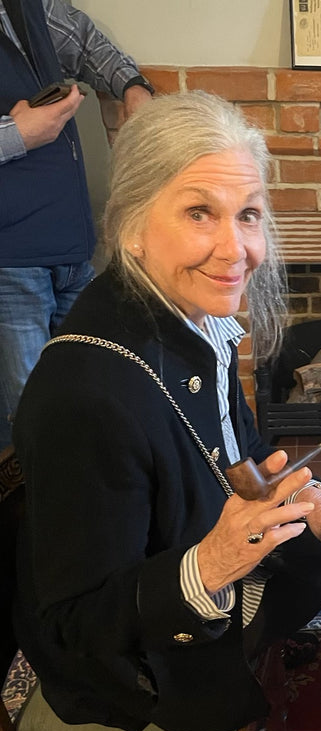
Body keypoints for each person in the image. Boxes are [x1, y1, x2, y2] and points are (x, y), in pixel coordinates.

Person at [12, 91, 321, 731]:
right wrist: (214, 564)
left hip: (190, 546)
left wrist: (320, 507)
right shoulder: (84, 400)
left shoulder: (191, 317)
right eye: (200, 212)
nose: (237, 250)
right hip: (131, 659)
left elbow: (237, 452)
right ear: (132, 228)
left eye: (248, 215)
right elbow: (76, 625)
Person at [0, 0, 154, 450]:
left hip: (73, 252)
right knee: (30, 413)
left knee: (91, 393)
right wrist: (17, 133)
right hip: (10, 264)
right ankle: (35, 517)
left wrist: (132, 87)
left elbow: (87, 43)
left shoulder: (32, 7)